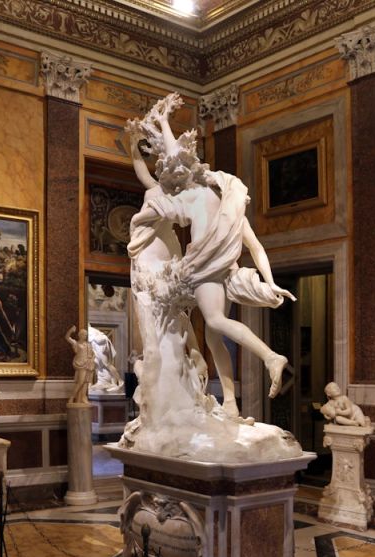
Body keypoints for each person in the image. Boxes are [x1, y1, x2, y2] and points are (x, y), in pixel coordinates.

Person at [124, 93, 295, 417]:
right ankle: (230, 403)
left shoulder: (187, 197)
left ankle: (271, 357)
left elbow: (153, 189)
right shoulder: (226, 202)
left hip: (202, 270)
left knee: (215, 321)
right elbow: (256, 247)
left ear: (180, 174)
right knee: (215, 337)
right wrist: (270, 282)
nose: (170, 176)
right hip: (222, 270)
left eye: (171, 172)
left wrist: (139, 218)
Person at [65, 326, 96, 404]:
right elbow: (67, 337)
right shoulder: (76, 343)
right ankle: (72, 398)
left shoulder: (88, 344)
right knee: (81, 382)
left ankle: (83, 397)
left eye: (86, 335)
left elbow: (94, 353)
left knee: (86, 382)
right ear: (80, 335)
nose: (85, 336)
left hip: (88, 364)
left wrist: (92, 359)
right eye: (84, 334)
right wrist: (71, 330)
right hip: (80, 364)